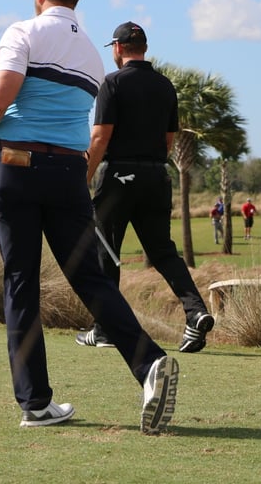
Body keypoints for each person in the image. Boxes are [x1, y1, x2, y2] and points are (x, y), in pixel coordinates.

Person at [0, 0, 178, 434]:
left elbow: (2, 95)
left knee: (21, 283)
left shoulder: (22, 34)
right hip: (70, 174)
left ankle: (34, 402)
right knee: (91, 278)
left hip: (16, 169)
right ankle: (148, 363)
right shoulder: (93, 54)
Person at [76, 21, 215, 353]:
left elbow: (99, 138)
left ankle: (106, 328)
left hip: (120, 177)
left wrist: (82, 179)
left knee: (107, 249)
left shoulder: (112, 83)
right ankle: (195, 312)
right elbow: (168, 142)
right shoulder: (166, 86)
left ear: (119, 48)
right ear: (145, 48)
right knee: (162, 251)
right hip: (157, 176)